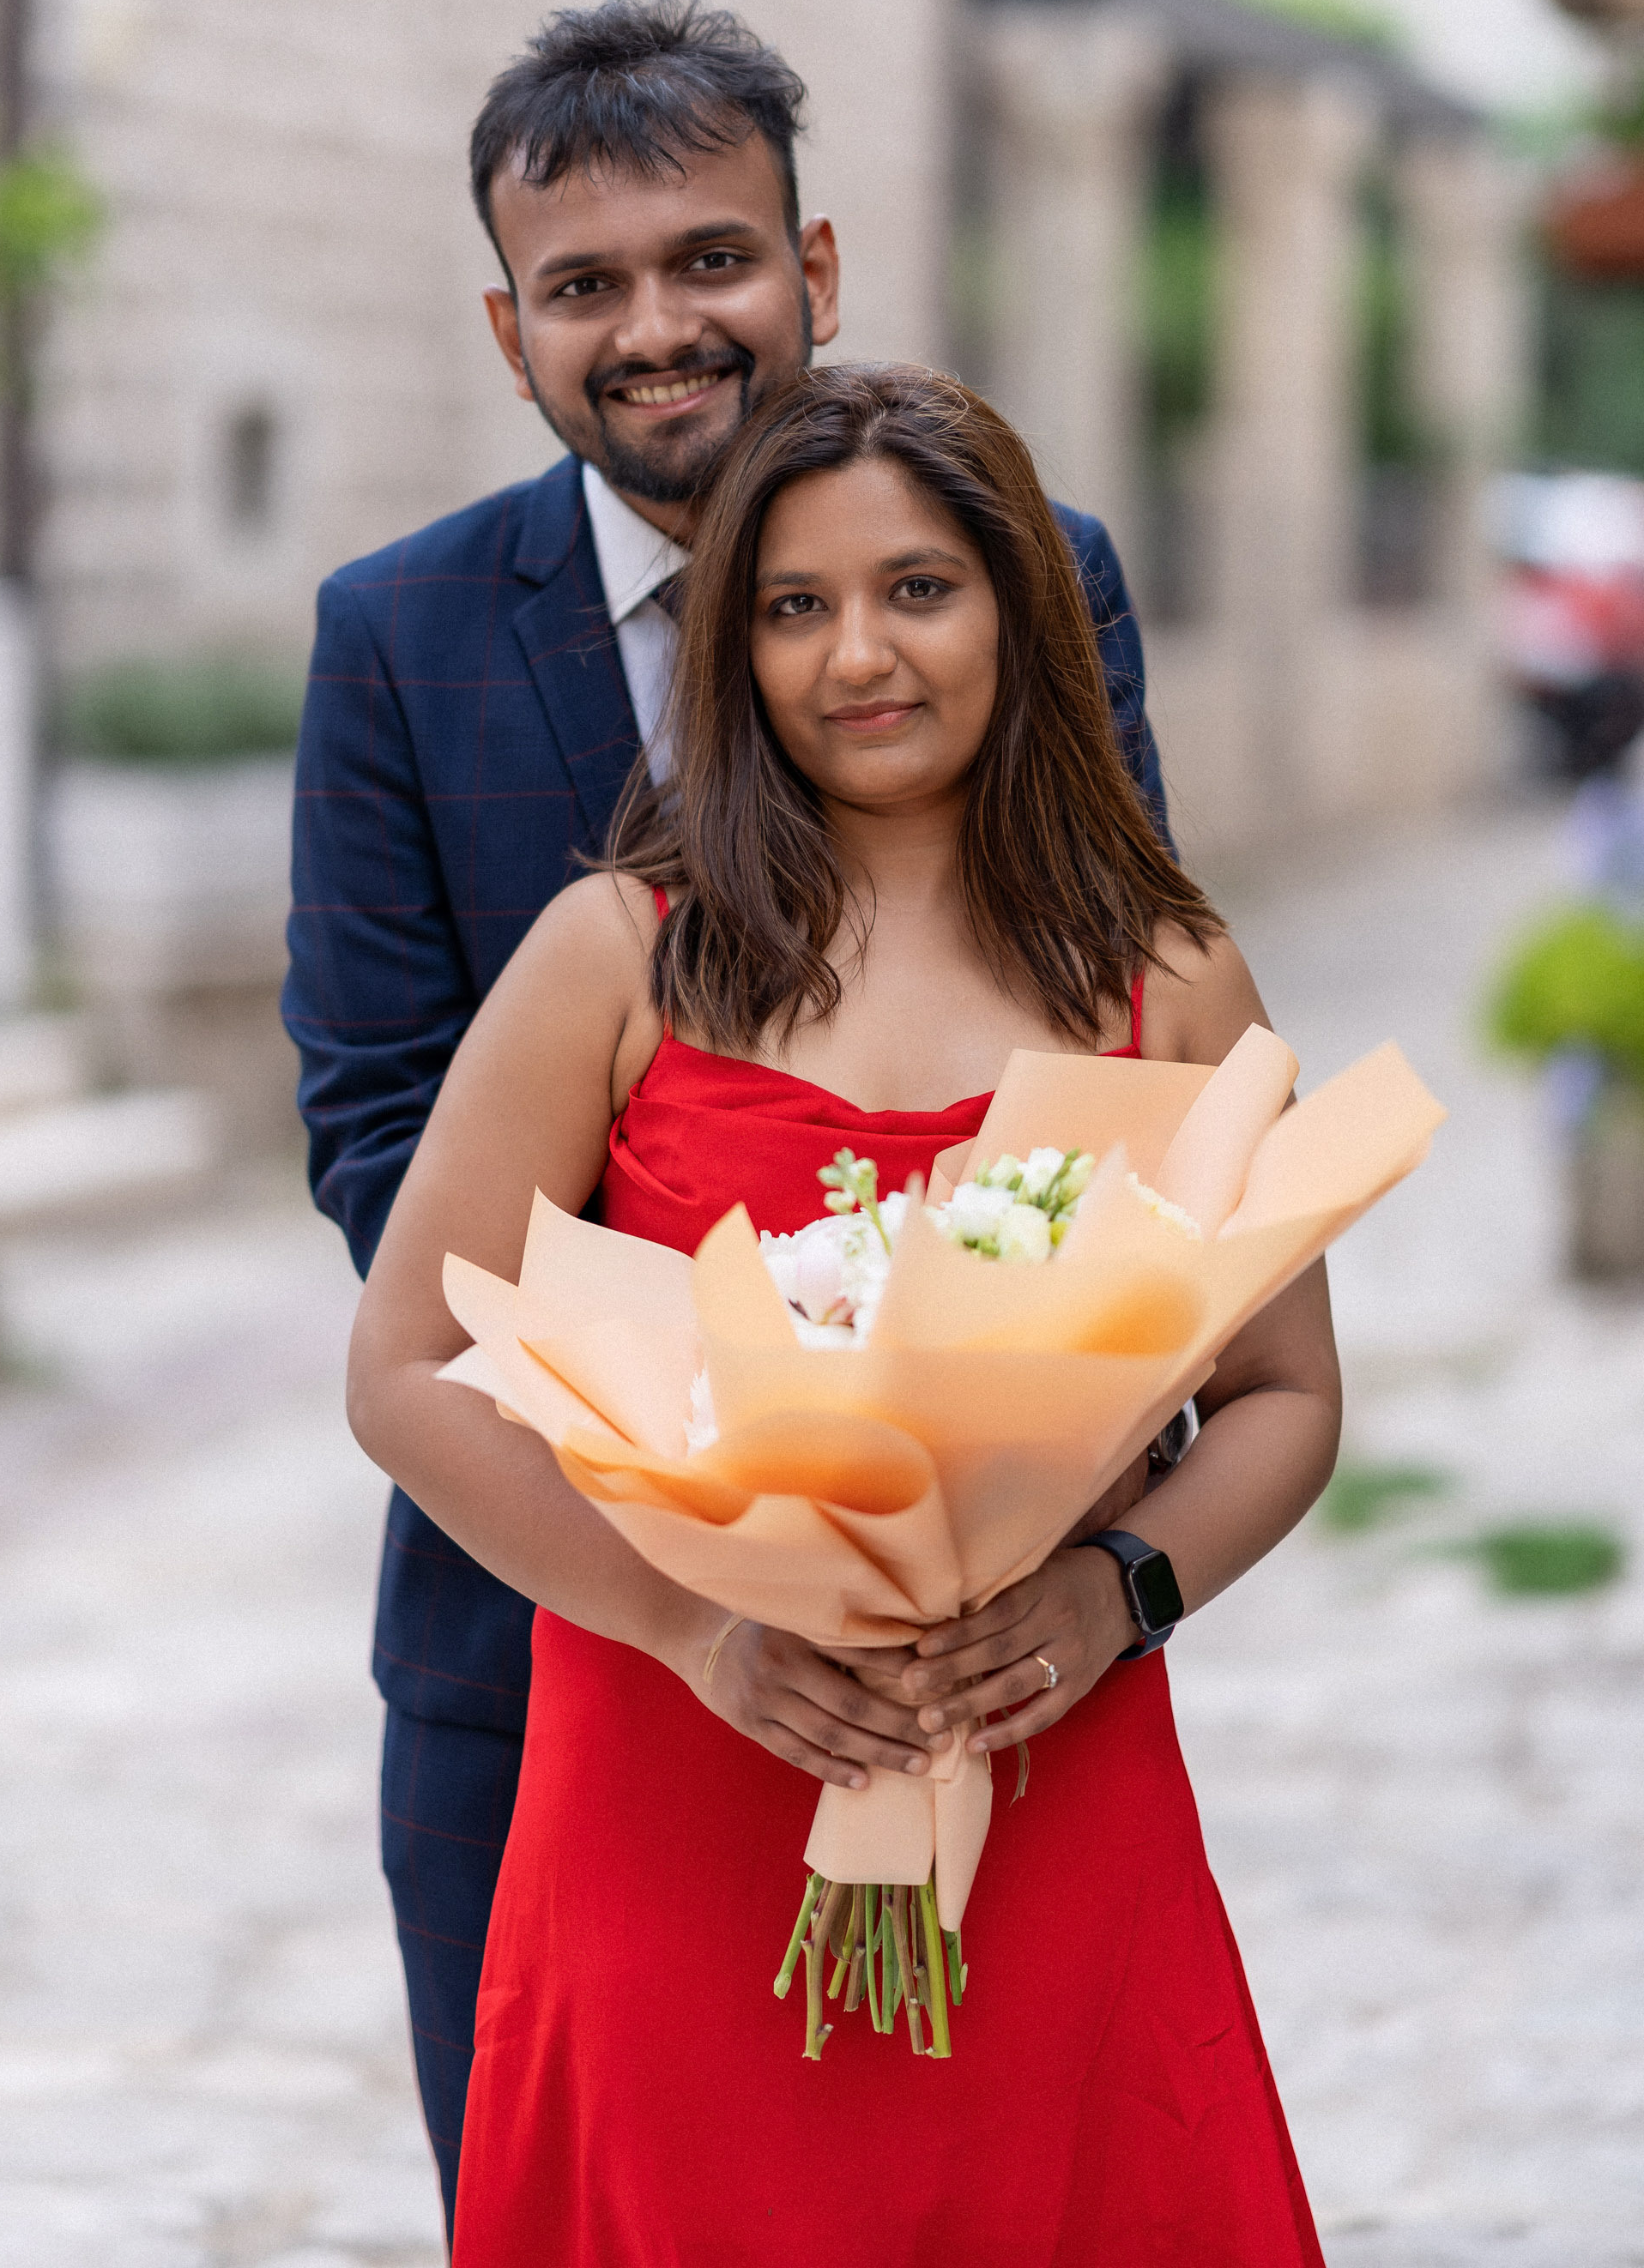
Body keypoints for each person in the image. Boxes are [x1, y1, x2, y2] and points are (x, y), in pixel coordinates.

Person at [281, 0, 1169, 2233]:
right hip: (545, 1642)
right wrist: (738, 1429)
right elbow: (381, 1117)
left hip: (976, 1639)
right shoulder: (394, 637)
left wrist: (948, 1469)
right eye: (586, 286)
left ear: (820, 272)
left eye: (712, 261)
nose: (658, 327)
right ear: (511, 331)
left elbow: (1107, 1076)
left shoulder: (1030, 580)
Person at [347, 365, 1339, 2266]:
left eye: (918, 589)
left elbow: (1287, 1392)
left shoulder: (1171, 977)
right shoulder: (614, 954)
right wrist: (695, 1624)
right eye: (794, 606)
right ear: (731, 648)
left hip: (1048, 1766)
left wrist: (1112, 1593)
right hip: (668, 1776)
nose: (857, 654)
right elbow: (403, 1370)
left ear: (1019, 613)